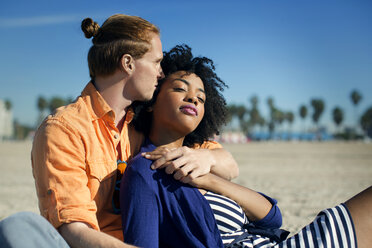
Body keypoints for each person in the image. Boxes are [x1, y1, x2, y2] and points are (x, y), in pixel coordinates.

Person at [0, 15, 238, 248]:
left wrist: (206, 157)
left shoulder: (144, 122)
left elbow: (230, 166)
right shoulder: (65, 130)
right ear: (128, 64)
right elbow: (73, 230)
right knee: (17, 226)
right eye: (156, 62)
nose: (161, 73)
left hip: (154, 238)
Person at [120, 45, 372, 248]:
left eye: (201, 97)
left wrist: (208, 180)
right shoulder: (146, 170)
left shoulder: (201, 159)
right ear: (151, 101)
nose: (193, 98)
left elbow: (272, 217)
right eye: (179, 89)